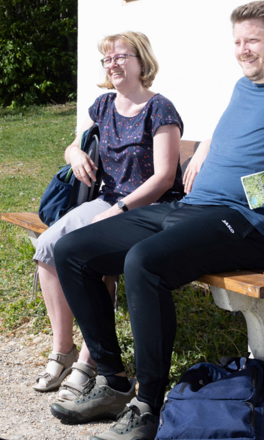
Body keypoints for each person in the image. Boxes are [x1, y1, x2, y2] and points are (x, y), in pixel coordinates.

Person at [50, 0, 264, 440]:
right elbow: (244, 128)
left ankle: (147, 404)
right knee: (72, 251)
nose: (242, 50)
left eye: (252, 40)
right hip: (192, 211)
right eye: (237, 41)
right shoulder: (242, 87)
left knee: (144, 262)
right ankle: (113, 381)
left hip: (249, 225)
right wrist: (211, 146)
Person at [32, 32, 184, 403]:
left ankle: (91, 358)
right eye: (107, 59)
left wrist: (120, 210)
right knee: (48, 247)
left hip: (147, 209)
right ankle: (63, 348)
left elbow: (164, 177)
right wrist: (74, 156)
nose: (113, 64)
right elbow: (77, 143)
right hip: (108, 202)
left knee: (92, 258)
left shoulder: (160, 109)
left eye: (121, 57)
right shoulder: (103, 106)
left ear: (141, 61)